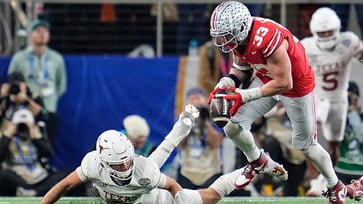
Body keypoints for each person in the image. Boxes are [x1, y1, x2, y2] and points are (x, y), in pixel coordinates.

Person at [207, 1, 362, 203]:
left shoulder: (265, 38)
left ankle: (335, 185)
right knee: (232, 125)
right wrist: (227, 81)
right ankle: (257, 160)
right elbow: (242, 68)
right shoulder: (241, 37)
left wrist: (243, 95)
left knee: (306, 146)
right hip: (266, 78)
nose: (223, 40)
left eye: (227, 35)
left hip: (296, 86)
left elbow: (284, 82)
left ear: (241, 28)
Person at [39, 105, 243, 204]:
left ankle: (250, 169)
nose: (125, 167)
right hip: (133, 191)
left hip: (149, 199)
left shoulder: (144, 171)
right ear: (104, 164)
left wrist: (179, 200)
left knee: (211, 197)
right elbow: (64, 184)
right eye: (119, 165)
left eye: (127, 160)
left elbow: (172, 185)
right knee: (157, 156)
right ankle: (182, 126)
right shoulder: (93, 164)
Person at [300, 7, 363, 196]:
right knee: (312, 135)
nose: (326, 35)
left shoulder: (349, 41)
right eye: (322, 32)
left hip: (339, 100)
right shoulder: (306, 46)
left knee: (334, 145)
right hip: (316, 96)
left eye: (329, 31)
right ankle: (313, 183)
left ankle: (326, 179)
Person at [7, 19, 67, 147]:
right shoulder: (19, 58)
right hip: (27, 108)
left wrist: (50, 100)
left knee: (47, 144)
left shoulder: (57, 58)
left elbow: (61, 85)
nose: (42, 34)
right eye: (38, 31)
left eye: (45, 31)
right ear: (30, 34)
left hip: (49, 108)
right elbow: (12, 81)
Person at [0, 109, 69, 196]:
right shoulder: (8, 138)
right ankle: (34, 192)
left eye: (26, 125)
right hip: (18, 179)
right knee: (3, 174)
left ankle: (35, 192)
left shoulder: (36, 135)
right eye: (20, 125)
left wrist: (36, 137)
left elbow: (48, 154)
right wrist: (7, 136)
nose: (23, 128)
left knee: (66, 174)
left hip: (40, 179)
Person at [176, 87, 224, 189]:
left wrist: (205, 121)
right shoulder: (181, 120)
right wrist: (188, 123)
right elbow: (178, 144)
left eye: (198, 98)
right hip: (187, 171)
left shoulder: (216, 118)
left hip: (211, 171)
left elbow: (216, 143)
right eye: (192, 99)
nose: (195, 102)